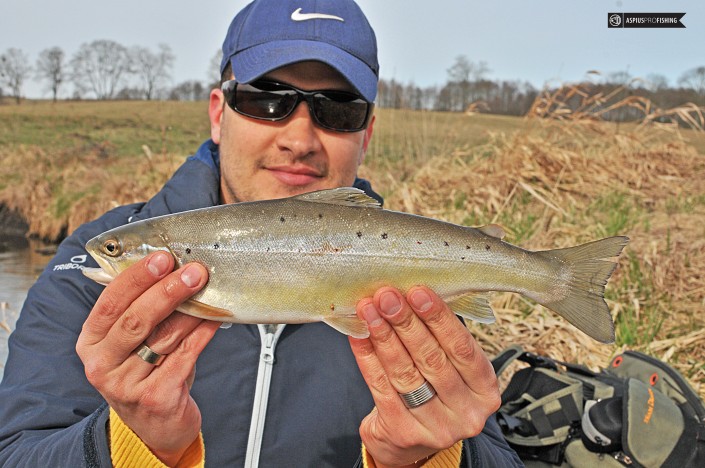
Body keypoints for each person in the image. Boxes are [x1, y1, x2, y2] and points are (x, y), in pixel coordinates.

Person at [0, 0, 523, 466]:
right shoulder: (80, 272)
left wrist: (432, 456)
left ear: (367, 134)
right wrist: (131, 445)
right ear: (217, 114)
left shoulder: (417, 274)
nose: (299, 138)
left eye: (337, 109)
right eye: (266, 98)